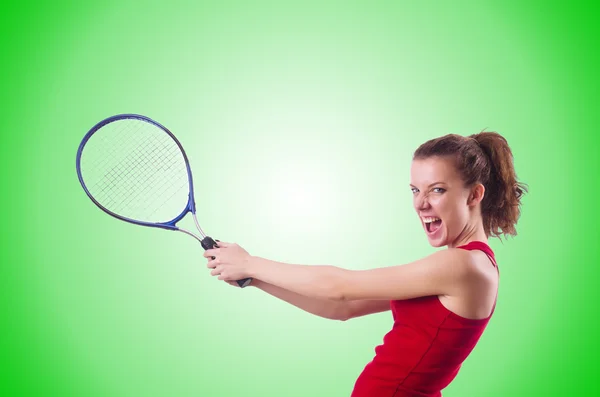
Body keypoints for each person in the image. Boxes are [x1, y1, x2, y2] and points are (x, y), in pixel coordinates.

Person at [204, 131, 527, 396]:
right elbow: (343, 308)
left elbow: (340, 288)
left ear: (474, 195)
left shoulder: (464, 267)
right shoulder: (456, 269)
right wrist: (254, 279)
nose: (419, 203)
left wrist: (250, 262)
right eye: (415, 190)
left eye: (437, 190)